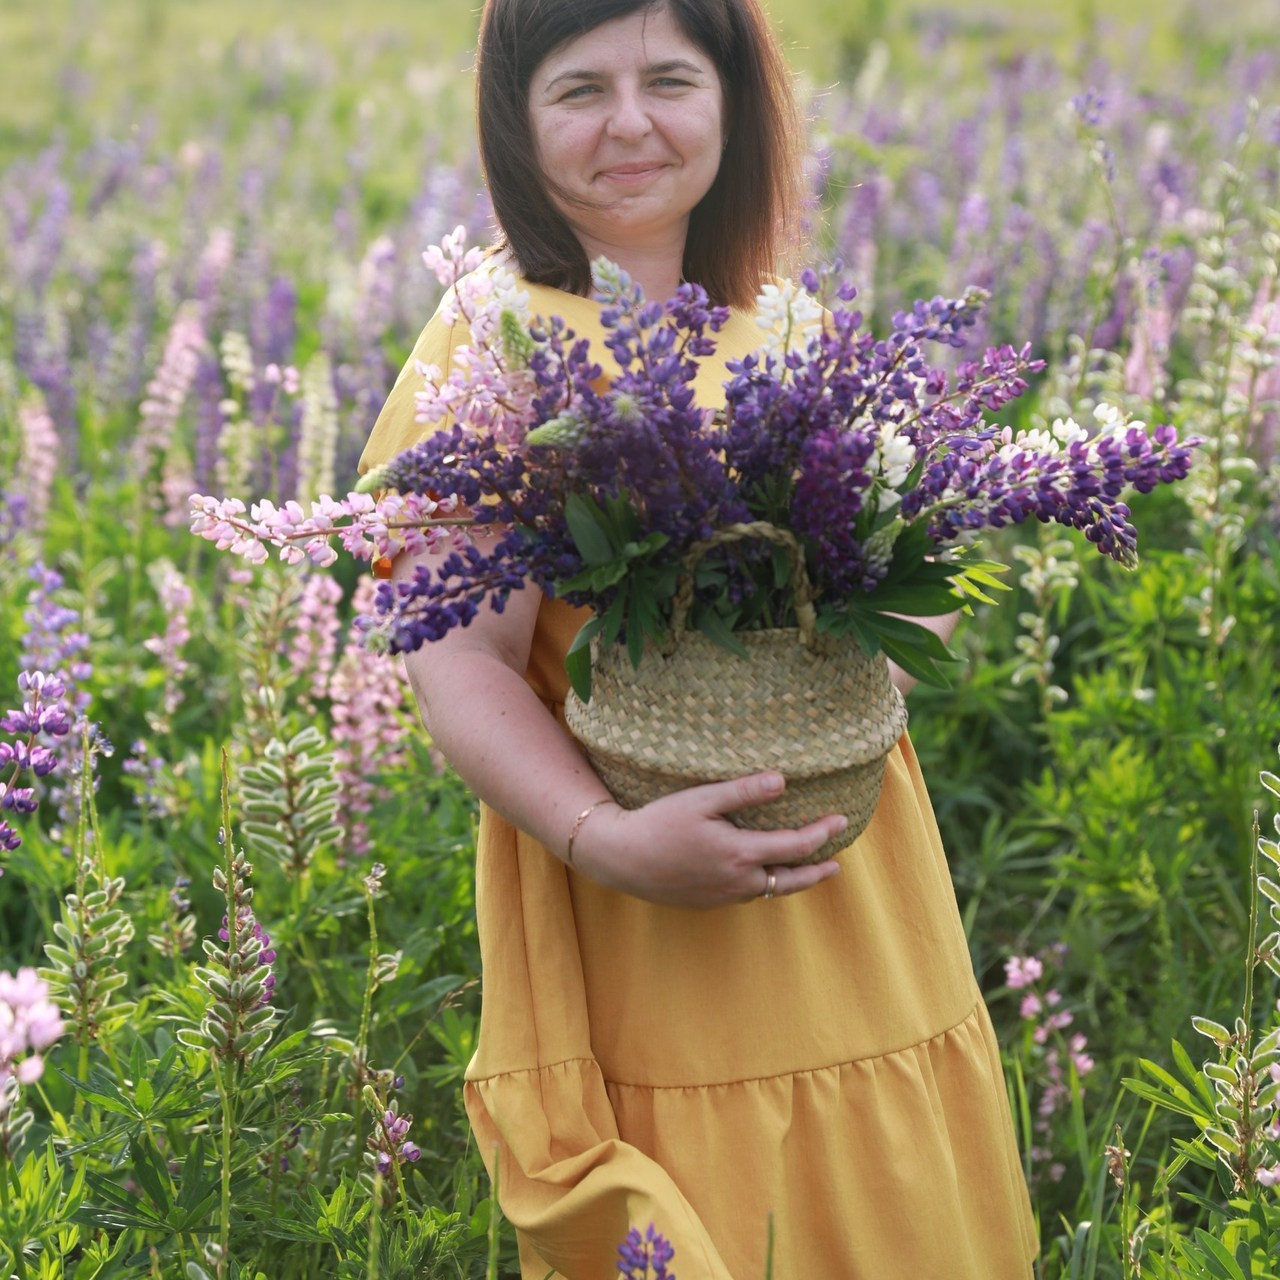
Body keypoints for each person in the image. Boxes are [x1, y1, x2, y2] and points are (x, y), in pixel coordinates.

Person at [359, 0, 1038, 1275]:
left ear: (732, 103)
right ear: (517, 116)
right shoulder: (492, 340)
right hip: (651, 926)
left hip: (860, 908)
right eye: (578, 89)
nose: (629, 123)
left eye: (668, 78)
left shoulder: (795, 329)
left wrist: (870, 630)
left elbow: (915, 602)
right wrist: (605, 838)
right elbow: (454, 659)